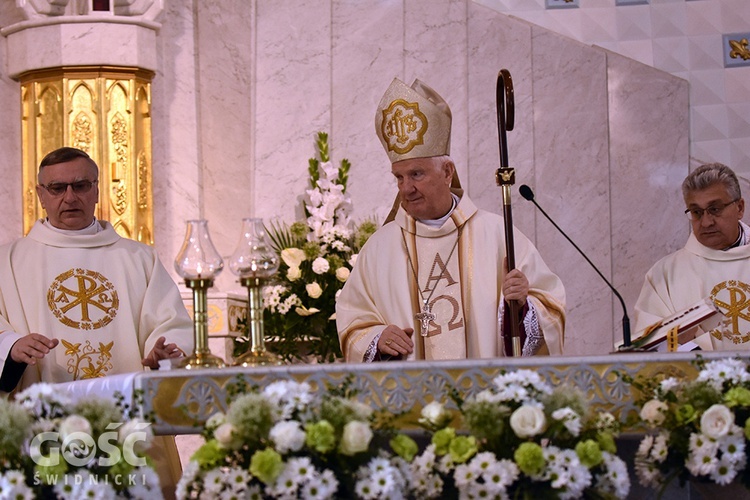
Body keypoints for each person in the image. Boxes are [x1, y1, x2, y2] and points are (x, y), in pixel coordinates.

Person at [336, 77, 566, 362]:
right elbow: (352, 322)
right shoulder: (379, 248)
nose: (406, 188)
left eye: (417, 174)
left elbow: (551, 310)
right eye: (399, 177)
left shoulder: (497, 235)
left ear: (447, 172)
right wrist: (376, 337)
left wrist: (521, 308)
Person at [0, 147, 193, 393]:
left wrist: (164, 357)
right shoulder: (6, 262)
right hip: (41, 416)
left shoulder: (140, 258)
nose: (69, 198)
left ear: (97, 190)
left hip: (127, 413)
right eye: (57, 188)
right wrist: (10, 346)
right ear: (41, 195)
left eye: (80, 186)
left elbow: (171, 323)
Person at [633, 162, 750, 351]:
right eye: (696, 212)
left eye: (715, 209)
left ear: (740, 208)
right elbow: (650, 347)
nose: (706, 222)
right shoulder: (665, 275)